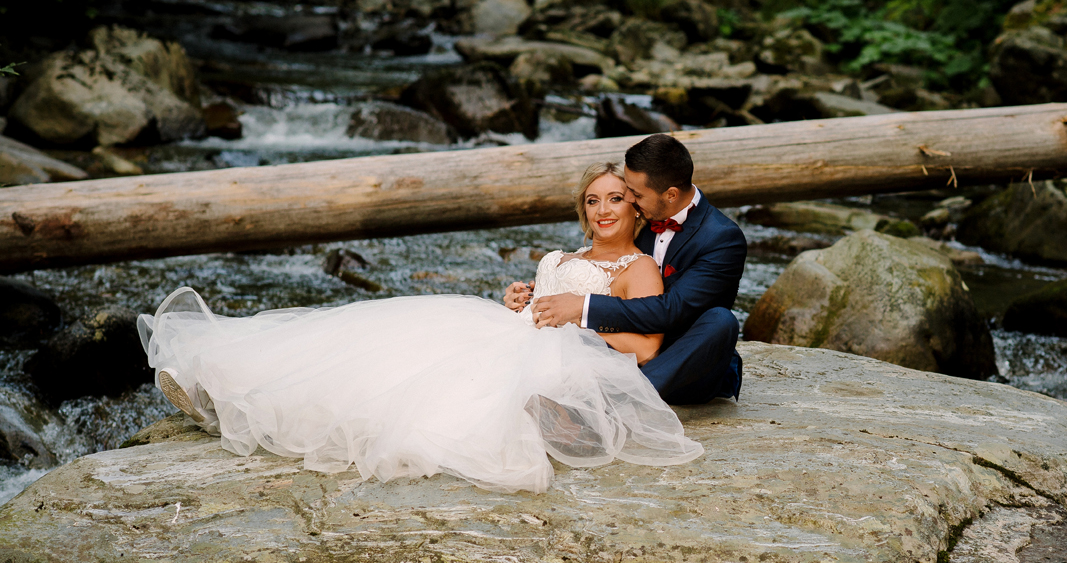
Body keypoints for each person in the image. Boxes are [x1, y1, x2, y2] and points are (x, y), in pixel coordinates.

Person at [137, 162, 703, 494]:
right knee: (373, 338)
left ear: (637, 208)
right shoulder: (566, 255)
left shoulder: (637, 268)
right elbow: (546, 306)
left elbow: (644, 346)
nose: (603, 210)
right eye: (592, 200)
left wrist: (574, 313)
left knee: (410, 387)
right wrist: (521, 303)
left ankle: (238, 407)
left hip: (554, 358)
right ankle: (223, 387)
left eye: (615, 200)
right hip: (507, 330)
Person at [521, 134, 747, 405]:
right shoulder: (643, 215)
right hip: (616, 351)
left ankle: (620, 401)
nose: (629, 199)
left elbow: (671, 309)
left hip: (684, 362)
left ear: (671, 195)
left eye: (636, 194)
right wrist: (535, 296)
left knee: (722, 321)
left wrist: (583, 307)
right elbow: (606, 269)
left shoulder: (721, 238)